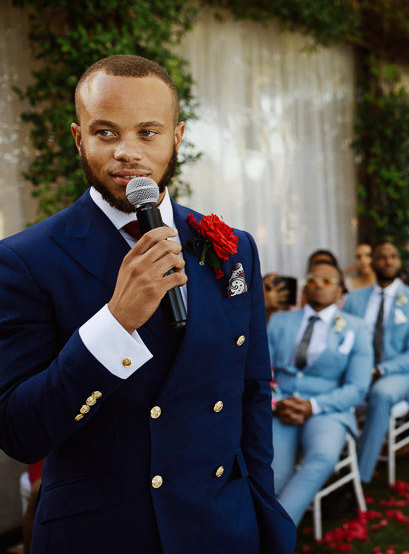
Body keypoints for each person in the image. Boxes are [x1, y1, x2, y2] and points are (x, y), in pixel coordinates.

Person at [0, 55, 295, 553]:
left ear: (177, 137)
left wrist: (260, 510)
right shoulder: (25, 260)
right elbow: (20, 433)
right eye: (107, 133)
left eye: (148, 132)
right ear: (79, 138)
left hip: (224, 524)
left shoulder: (232, 245)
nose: (128, 153)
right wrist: (115, 324)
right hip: (107, 534)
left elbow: (250, 393)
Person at [268, 260, 373, 526]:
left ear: (340, 291)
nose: (318, 284)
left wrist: (312, 406)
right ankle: (266, 525)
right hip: (281, 406)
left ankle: (277, 530)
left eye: (327, 280)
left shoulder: (356, 327)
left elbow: (358, 387)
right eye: (313, 278)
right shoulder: (279, 321)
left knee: (323, 457)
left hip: (328, 410)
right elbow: (260, 370)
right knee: (274, 474)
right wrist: (276, 402)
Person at [343, 241, 409, 483]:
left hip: (404, 377)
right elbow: (344, 342)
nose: (388, 261)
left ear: (399, 261)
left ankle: (359, 478)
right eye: (382, 257)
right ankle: (333, 461)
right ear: (373, 262)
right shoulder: (354, 299)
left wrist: (379, 370)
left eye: (393, 256)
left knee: (381, 393)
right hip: (359, 374)